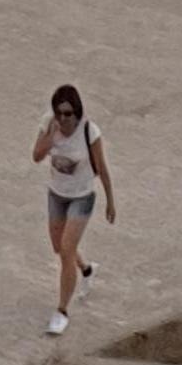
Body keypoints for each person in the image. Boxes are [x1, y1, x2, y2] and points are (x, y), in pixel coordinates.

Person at [32, 84, 114, 333]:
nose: (64, 119)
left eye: (68, 114)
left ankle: (62, 310)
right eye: (59, 113)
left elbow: (102, 167)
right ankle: (86, 269)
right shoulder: (49, 124)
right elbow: (36, 155)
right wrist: (51, 135)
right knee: (59, 247)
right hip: (57, 194)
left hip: (81, 196)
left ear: (77, 112)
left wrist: (111, 200)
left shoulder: (90, 131)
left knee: (67, 250)